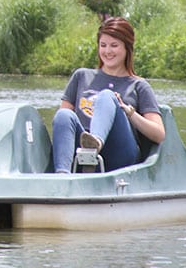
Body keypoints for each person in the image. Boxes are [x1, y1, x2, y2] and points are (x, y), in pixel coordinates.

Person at [51, 16, 165, 174]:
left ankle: (95, 142)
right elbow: (63, 124)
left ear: (127, 48)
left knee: (106, 96)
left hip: (119, 155)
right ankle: (62, 177)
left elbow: (159, 134)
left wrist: (130, 113)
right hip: (81, 153)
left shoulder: (138, 85)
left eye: (114, 46)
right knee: (63, 115)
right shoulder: (81, 76)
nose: (107, 51)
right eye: (103, 45)